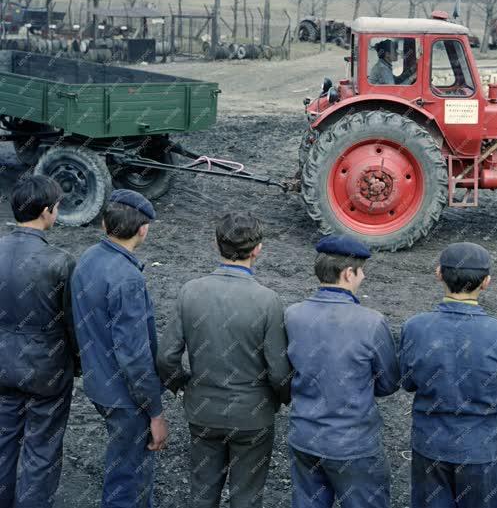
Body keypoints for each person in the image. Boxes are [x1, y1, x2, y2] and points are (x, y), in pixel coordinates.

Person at [157, 212, 291, 508]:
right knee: (246, 498)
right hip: (252, 416)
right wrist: (279, 400)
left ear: (216, 244)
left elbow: (166, 357)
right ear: (257, 249)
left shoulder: (190, 292)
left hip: (203, 412)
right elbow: (279, 371)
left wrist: (183, 388)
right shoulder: (268, 300)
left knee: (202, 495)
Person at [399, 242, 497, 508]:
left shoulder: (415, 327)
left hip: (430, 447)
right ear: (487, 282)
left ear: (439, 274)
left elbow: (408, 382)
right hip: (484, 451)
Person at [285, 234, 400, 508]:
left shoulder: (292, 314)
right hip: (353, 445)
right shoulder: (371, 322)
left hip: (304, 438)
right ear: (348, 273)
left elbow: (284, 373)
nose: (363, 279)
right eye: (361, 273)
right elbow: (389, 382)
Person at [71, 189, 167, 508]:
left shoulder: (87, 259)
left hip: (98, 385)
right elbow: (135, 357)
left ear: (103, 224)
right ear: (143, 229)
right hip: (125, 398)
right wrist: (154, 411)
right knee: (129, 478)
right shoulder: (127, 279)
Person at [0, 175, 77, 508]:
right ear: (47, 212)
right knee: (43, 449)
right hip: (48, 369)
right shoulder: (60, 261)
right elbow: (75, 323)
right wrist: (76, 362)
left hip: (2, 364)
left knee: (3, 443)